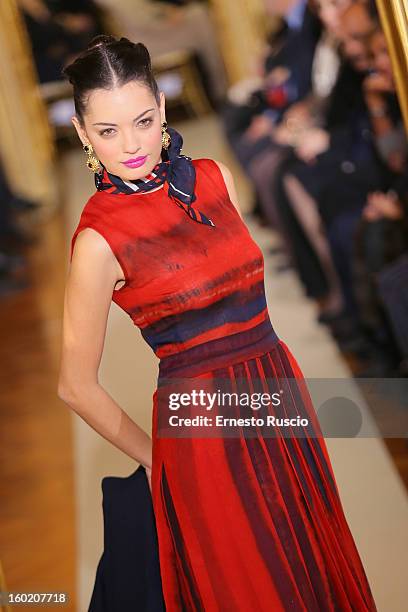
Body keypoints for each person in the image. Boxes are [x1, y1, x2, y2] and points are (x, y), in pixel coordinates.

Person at [58, 35, 378, 610]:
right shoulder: (98, 239)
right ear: (83, 134)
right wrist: (159, 460)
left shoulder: (215, 179)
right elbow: (75, 385)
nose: (131, 145)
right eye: (107, 131)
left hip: (277, 397)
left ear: (161, 104)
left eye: (143, 120)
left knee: (312, 573)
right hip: (202, 436)